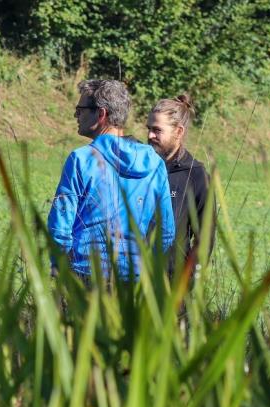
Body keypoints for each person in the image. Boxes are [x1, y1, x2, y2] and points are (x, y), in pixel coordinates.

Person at [48, 80, 175, 280]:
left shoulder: (81, 159)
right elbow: (166, 230)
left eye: (80, 110)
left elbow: (60, 225)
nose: (76, 115)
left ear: (101, 114)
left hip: (86, 272)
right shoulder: (155, 163)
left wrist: (59, 267)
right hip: (134, 277)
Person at [147, 94, 215, 279]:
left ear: (178, 131)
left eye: (157, 130)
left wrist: (190, 277)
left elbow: (205, 237)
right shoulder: (139, 167)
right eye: (148, 129)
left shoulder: (196, 175)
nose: (149, 135)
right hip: (132, 278)